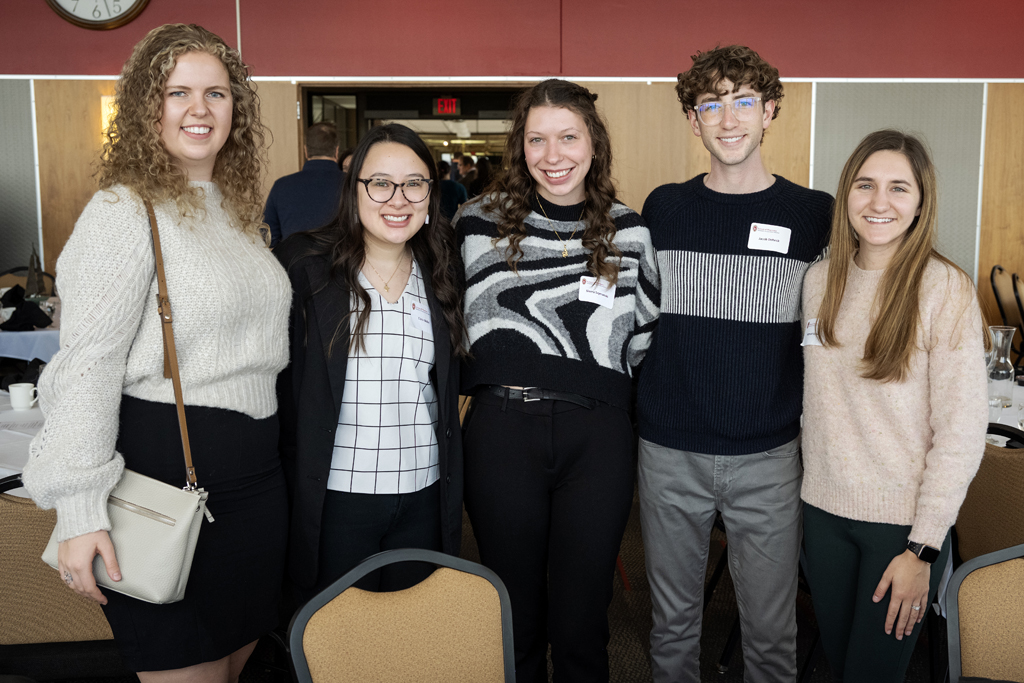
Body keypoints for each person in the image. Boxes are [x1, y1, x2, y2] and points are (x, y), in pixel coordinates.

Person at [21, 23, 290, 682]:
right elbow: (86, 367)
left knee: (235, 665)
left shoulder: (231, 211)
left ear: (238, 109)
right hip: (168, 481)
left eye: (217, 94)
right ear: (148, 108)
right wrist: (81, 511)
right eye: (179, 93)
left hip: (253, 488)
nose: (200, 109)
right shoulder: (123, 210)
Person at [635, 45, 833, 683]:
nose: (728, 117)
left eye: (744, 100)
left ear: (770, 111)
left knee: (772, 636)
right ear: (693, 119)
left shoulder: (813, 215)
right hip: (670, 451)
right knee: (672, 631)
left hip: (769, 456)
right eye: (711, 103)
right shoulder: (663, 209)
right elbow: (640, 322)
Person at [455, 78, 659, 683]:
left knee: (583, 622)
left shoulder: (631, 231)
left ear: (593, 142)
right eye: (537, 140)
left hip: (596, 440)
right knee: (513, 614)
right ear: (519, 147)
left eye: (568, 137)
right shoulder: (473, 223)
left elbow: (644, 342)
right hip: (500, 434)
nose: (553, 155)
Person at [800, 129, 987, 682]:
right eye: (865, 185)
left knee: (871, 674)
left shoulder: (943, 288)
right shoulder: (819, 281)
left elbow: (960, 431)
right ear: (846, 194)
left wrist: (924, 549)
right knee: (839, 662)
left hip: (900, 528)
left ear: (921, 201)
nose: (879, 202)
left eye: (899, 188)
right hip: (822, 514)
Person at [274, 123, 467, 604]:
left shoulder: (441, 271)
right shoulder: (306, 266)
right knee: (339, 649)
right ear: (353, 189)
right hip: (337, 498)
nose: (397, 199)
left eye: (414, 183)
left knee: (410, 642)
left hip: (423, 494)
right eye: (380, 183)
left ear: (430, 194)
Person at [264, 122, 344, 247]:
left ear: (306, 151)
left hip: (293, 264)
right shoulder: (353, 184)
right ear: (337, 151)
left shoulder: (281, 186)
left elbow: (268, 238)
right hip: (343, 263)